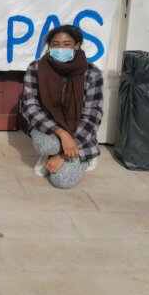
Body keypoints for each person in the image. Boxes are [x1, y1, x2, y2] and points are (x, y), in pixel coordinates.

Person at [21, 24, 103, 189]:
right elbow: (30, 107)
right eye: (55, 45)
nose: (60, 49)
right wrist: (62, 133)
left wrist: (63, 156)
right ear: (49, 46)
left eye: (66, 45)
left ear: (77, 46)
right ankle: (50, 153)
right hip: (49, 127)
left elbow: (92, 116)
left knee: (62, 181)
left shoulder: (92, 72)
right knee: (46, 145)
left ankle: (85, 156)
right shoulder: (36, 68)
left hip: (80, 134)